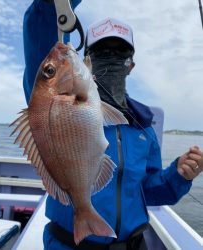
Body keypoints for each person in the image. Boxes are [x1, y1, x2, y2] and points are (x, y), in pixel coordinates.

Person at [22, 1, 203, 249]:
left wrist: (178, 176)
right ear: (87, 60)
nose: (112, 58)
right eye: (102, 52)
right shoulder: (49, 96)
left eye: (120, 54)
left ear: (131, 66)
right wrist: (58, 5)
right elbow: (40, 24)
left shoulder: (143, 125)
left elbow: (148, 192)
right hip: (69, 244)